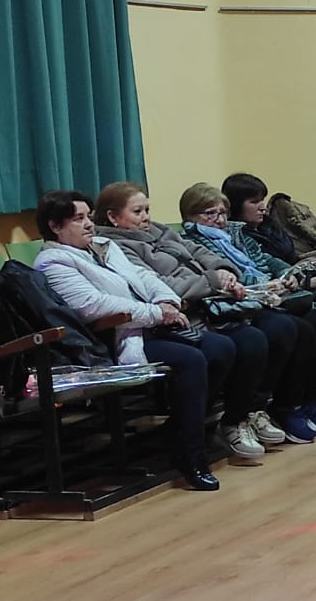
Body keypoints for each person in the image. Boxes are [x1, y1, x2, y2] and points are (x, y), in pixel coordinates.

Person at [33, 190, 230, 492]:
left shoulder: (104, 246)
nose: (89, 224)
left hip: (150, 326)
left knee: (221, 348)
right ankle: (191, 456)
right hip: (115, 340)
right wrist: (156, 314)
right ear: (55, 226)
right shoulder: (53, 263)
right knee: (191, 361)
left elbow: (144, 276)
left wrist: (166, 300)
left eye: (88, 216)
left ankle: (179, 428)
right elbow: (93, 306)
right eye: (78, 219)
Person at [94, 182, 305, 457]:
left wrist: (224, 270)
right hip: (178, 318)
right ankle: (199, 424)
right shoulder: (116, 247)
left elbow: (198, 251)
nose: (145, 216)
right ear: (112, 217)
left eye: (147, 209)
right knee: (234, 345)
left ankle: (239, 417)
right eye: (137, 211)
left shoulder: (159, 230)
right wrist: (211, 280)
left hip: (207, 307)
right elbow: (162, 285)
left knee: (258, 339)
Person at [177, 183, 316, 444]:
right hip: (237, 305)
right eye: (210, 214)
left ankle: (306, 400)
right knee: (288, 329)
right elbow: (229, 276)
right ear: (190, 216)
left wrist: (288, 275)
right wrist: (270, 284)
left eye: (222, 212)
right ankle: (266, 408)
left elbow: (266, 260)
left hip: (268, 297)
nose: (219, 220)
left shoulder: (236, 233)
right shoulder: (191, 241)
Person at [221, 172, 316, 359]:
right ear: (236, 205)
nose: (262, 207)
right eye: (254, 202)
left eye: (262, 200)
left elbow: (289, 264)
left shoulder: (270, 228)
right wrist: (311, 282)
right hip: (279, 297)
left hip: (297, 287)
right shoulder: (239, 239)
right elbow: (266, 278)